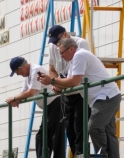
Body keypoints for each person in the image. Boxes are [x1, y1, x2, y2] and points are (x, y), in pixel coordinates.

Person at [37, 38, 121, 158]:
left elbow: (74, 81)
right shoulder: (74, 60)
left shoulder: (80, 55)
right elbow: (70, 82)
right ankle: (108, 155)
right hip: (108, 96)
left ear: (71, 49)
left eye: (62, 52)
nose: (61, 56)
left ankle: (103, 155)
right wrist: (58, 86)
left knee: (94, 127)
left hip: (105, 97)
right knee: (108, 132)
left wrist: (52, 80)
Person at [6, 57, 65, 158]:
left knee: (57, 136)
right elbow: (24, 92)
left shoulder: (36, 70)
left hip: (56, 103)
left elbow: (30, 93)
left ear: (20, 68)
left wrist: (13, 98)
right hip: (48, 107)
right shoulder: (28, 74)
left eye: (16, 72)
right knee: (41, 137)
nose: (17, 74)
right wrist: (16, 99)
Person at [47, 25, 90, 156]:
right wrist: (57, 83)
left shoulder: (80, 43)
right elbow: (52, 70)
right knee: (70, 131)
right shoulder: (53, 48)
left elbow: (78, 75)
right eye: (54, 42)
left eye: (57, 41)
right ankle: (79, 155)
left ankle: (82, 154)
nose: (56, 45)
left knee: (80, 130)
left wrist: (56, 82)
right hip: (67, 93)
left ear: (65, 34)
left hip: (80, 92)